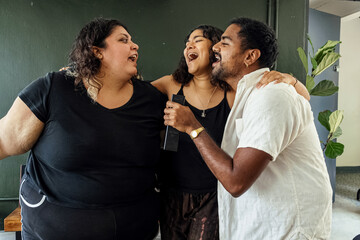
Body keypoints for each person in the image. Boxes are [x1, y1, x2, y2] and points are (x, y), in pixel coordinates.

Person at [164, 17, 332, 240]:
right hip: (264, 224)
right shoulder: (249, 95)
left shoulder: (271, 94)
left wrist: (193, 127)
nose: (215, 47)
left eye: (224, 42)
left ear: (250, 56)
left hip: (287, 230)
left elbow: (235, 181)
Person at [0, 18, 165, 240]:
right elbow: (3, 141)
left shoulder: (153, 100)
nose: (135, 46)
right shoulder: (53, 89)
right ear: (97, 51)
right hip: (53, 229)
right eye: (123, 40)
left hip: (136, 228)